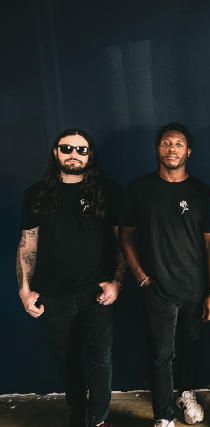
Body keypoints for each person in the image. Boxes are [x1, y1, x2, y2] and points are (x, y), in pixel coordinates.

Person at [17, 129, 125, 427]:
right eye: (67, 148)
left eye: (81, 149)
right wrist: (24, 290)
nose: (74, 154)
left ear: (90, 155)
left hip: (97, 293)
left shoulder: (109, 191)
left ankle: (99, 419)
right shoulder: (36, 193)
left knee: (100, 359)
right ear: (55, 152)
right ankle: (78, 409)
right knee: (66, 358)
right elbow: (27, 244)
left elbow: (124, 242)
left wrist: (117, 282)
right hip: (53, 295)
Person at [118, 122, 210, 427]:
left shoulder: (201, 192)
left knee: (191, 346)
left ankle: (186, 394)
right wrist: (142, 278)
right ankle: (163, 416)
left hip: (194, 288)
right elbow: (125, 237)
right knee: (161, 354)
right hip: (156, 289)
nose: (171, 148)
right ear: (158, 149)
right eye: (165, 143)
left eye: (178, 144)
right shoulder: (139, 189)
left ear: (189, 151)